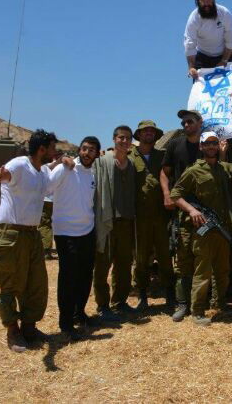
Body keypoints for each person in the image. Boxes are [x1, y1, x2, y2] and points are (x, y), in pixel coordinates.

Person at [0, 129, 70, 352]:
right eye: (52, 148)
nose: (55, 151)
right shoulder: (19, 164)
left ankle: (29, 328)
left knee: (36, 283)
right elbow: (3, 174)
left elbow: (50, 177)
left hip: (32, 235)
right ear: (42, 149)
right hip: (10, 234)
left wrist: (61, 163)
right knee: (10, 284)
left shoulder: (41, 171)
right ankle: (13, 331)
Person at [170, 131, 232, 325]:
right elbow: (175, 194)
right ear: (201, 147)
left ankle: (219, 304)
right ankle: (198, 311)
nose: (211, 147)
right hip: (203, 230)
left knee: (222, 270)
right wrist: (192, 210)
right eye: (207, 144)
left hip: (222, 229)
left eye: (214, 143)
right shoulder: (194, 171)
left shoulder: (222, 168)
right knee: (203, 272)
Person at [48, 136, 100, 341]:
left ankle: (80, 313)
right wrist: (58, 162)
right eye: (84, 149)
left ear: (96, 154)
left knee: (85, 275)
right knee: (68, 278)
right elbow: (46, 187)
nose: (87, 153)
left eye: (92, 150)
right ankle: (66, 323)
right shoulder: (66, 168)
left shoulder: (93, 173)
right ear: (79, 150)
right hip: (65, 232)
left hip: (87, 230)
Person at [92, 125, 137, 322]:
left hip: (126, 221)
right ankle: (102, 305)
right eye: (121, 138)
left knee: (124, 265)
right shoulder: (102, 161)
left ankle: (120, 301)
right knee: (103, 265)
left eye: (128, 138)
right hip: (108, 220)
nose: (124, 141)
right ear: (114, 139)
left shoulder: (131, 164)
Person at [129, 120, 174, 311]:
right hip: (139, 216)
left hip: (160, 215)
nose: (149, 133)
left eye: (152, 131)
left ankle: (170, 294)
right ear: (139, 135)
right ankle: (142, 294)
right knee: (141, 258)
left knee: (165, 255)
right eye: (145, 131)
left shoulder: (162, 156)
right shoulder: (130, 157)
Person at [184, 0, 232, 80]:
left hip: (226, 54)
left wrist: (224, 60)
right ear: (197, 1)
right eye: (202, 0)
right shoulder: (194, 18)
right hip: (202, 58)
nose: (206, 2)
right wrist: (191, 67)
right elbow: (190, 42)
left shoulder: (224, 13)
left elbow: (231, 38)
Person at [160, 109, 203, 209]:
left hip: (205, 202)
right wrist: (167, 194)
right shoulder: (174, 144)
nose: (186, 125)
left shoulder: (209, 144)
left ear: (200, 122)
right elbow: (164, 172)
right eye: (183, 123)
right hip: (181, 202)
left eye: (190, 121)